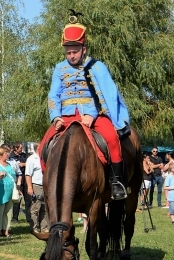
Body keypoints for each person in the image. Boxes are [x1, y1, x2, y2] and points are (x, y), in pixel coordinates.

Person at [44, 12, 131, 200]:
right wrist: (55, 117)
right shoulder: (59, 69)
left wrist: (92, 113)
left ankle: (117, 182)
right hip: (66, 117)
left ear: (83, 49)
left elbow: (103, 94)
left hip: (93, 115)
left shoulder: (97, 66)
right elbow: (54, 94)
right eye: (68, 52)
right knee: (42, 147)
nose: (71, 55)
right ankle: (48, 184)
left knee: (112, 139)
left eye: (75, 51)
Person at [0, 146, 17, 238]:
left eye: (7, 153)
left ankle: (6, 229)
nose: (7, 154)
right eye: (5, 153)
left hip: (10, 190)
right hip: (0, 190)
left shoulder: (9, 164)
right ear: (0, 155)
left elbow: (14, 176)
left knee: (8, 212)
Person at [24, 144, 47, 235]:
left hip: (45, 185)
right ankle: (34, 227)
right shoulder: (31, 159)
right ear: (38, 148)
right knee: (36, 207)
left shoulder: (45, 157)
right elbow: (28, 174)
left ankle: (44, 227)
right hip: (36, 185)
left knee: (44, 208)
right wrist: (30, 187)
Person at [9, 142, 28, 224]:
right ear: (15, 148)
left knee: (27, 199)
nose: (22, 149)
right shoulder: (11, 156)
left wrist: (23, 164)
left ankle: (28, 217)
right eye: (20, 148)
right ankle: (15, 218)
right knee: (17, 199)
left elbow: (28, 163)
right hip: (17, 179)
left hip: (25, 178)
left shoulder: (24, 155)